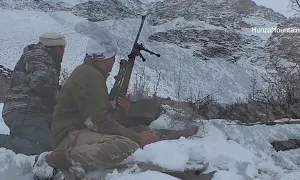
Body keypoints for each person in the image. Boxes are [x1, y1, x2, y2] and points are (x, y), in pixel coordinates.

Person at [33, 34, 198, 180]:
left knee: (134, 134)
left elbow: (96, 114)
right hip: (68, 137)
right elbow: (99, 122)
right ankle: (56, 158)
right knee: (127, 145)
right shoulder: (89, 76)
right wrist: (138, 139)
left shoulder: (89, 73)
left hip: (76, 131)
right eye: (111, 57)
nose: (113, 62)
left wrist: (123, 112)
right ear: (103, 58)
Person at [0, 32, 67, 155]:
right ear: (56, 48)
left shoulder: (47, 58)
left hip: (31, 111)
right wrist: (62, 98)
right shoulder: (39, 55)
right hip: (26, 109)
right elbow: (40, 83)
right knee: (39, 146)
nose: (64, 52)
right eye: (63, 48)